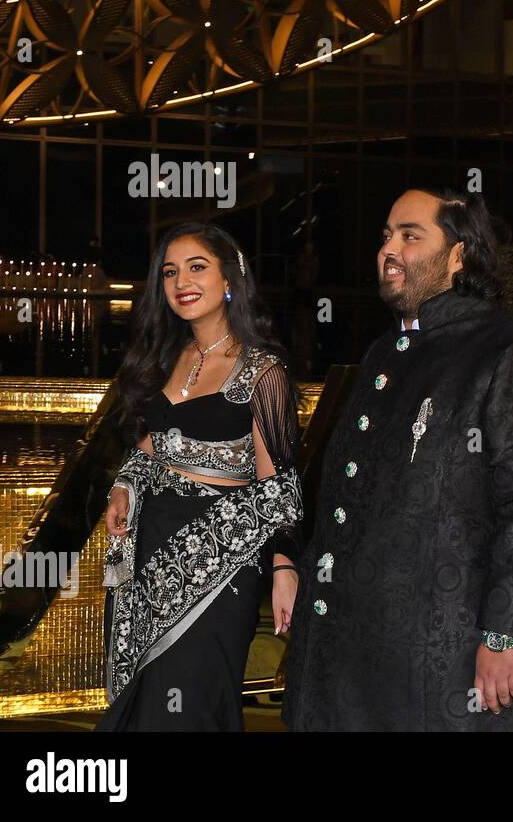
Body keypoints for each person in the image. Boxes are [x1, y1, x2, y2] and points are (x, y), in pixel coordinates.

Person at [282, 189, 513, 731]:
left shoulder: (511, 350)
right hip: (369, 650)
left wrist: (505, 632)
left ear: (459, 255)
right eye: (385, 235)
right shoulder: (386, 350)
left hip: (451, 651)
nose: (389, 248)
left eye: (410, 235)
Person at [97, 223, 303, 731]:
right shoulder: (164, 358)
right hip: (148, 544)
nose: (181, 281)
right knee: (144, 700)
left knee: (195, 697)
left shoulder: (263, 371)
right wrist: (124, 483)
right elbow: (154, 440)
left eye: (196, 267)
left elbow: (280, 483)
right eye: (170, 272)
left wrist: (284, 566)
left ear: (229, 278)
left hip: (220, 559)